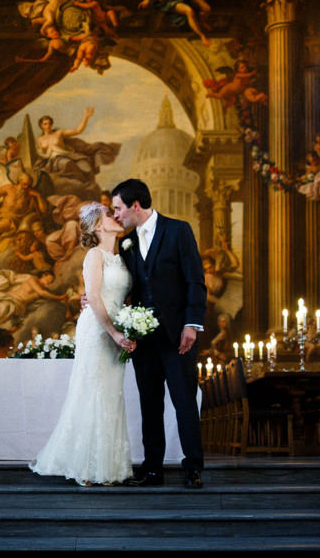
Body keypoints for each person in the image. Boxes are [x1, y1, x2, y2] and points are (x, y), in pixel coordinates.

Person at [30, 202, 137, 486]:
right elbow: (95, 297)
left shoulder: (122, 256)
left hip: (116, 328)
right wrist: (114, 332)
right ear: (99, 226)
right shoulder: (94, 255)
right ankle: (87, 466)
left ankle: (108, 467)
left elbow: (121, 295)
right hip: (99, 330)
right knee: (93, 390)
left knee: (111, 394)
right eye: (109, 215)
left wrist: (128, 324)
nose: (116, 216)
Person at [110, 178, 207, 489]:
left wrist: (192, 324)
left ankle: (193, 467)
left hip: (178, 335)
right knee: (149, 404)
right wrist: (92, 296)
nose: (116, 215)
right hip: (144, 338)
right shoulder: (128, 244)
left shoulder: (179, 230)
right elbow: (122, 285)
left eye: (118, 208)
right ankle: (153, 469)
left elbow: (195, 280)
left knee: (184, 401)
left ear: (135, 205)